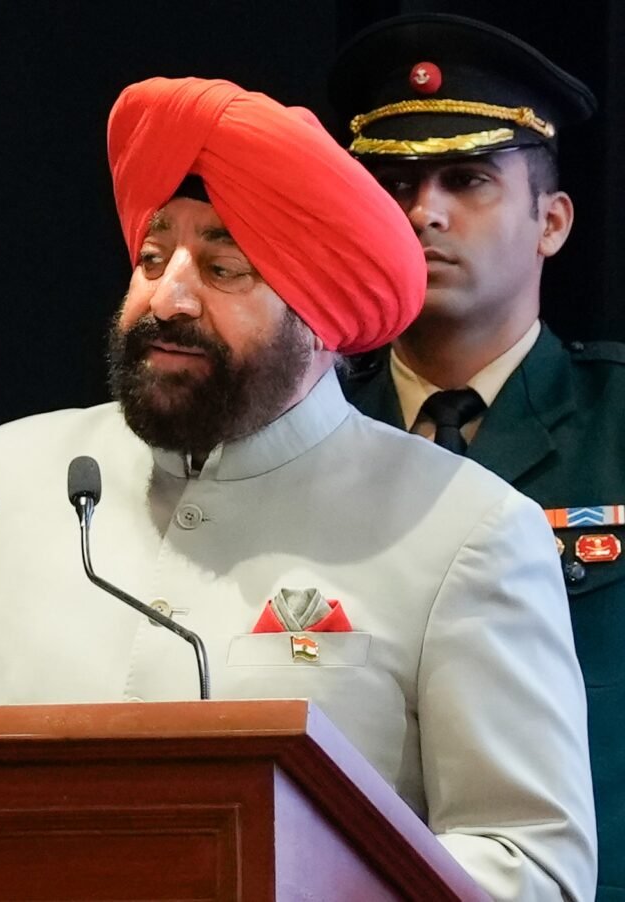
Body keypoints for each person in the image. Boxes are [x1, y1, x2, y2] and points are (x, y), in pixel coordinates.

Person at [0, 76, 595, 899]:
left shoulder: (462, 530)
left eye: (224, 266)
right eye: (152, 257)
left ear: (320, 314)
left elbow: (529, 865)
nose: (168, 297)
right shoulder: (10, 474)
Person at [329, 13, 622, 899]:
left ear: (552, 222)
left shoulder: (615, 422)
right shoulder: (306, 430)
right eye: (395, 185)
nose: (423, 211)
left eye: (466, 180)